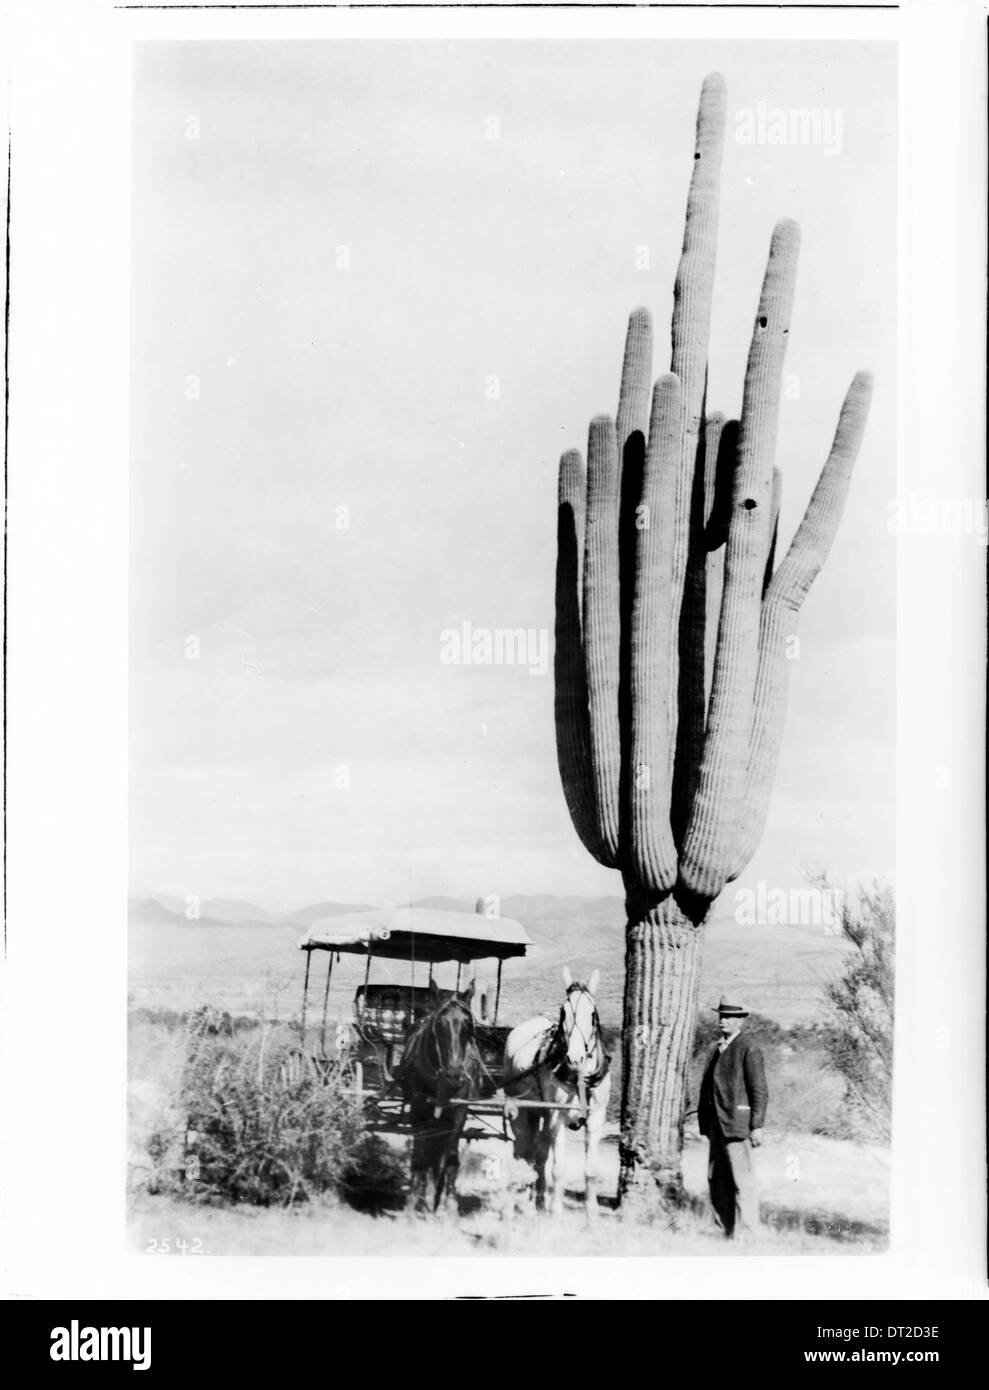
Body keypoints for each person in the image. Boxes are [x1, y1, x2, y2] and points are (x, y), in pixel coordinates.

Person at [697, 997, 768, 1240]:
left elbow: (759, 1090)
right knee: (717, 1180)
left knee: (743, 1181)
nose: (723, 1021)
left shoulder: (749, 1049)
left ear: (740, 1021)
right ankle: (720, 1229)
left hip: (737, 1126)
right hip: (716, 1126)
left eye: (729, 1017)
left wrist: (756, 1125)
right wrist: (705, 1123)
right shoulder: (716, 1049)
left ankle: (748, 1232)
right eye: (721, 1016)